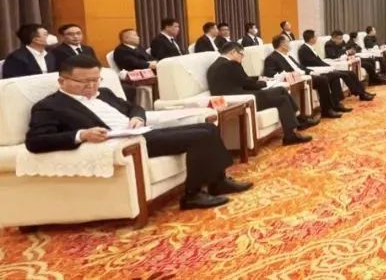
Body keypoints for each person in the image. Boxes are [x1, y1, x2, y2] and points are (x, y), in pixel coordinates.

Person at [26, 54, 252, 209]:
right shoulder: (50, 106)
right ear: (62, 81)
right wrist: (81, 135)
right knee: (200, 136)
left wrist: (136, 117)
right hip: (123, 144)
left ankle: (217, 181)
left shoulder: (104, 93)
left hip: (140, 132)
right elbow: (36, 141)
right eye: (84, 82)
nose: (92, 86)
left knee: (207, 127)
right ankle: (193, 195)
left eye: (96, 80)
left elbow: (134, 108)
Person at [206, 42, 314, 145]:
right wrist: (265, 83)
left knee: (281, 90)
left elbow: (240, 80)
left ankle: (299, 119)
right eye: (241, 54)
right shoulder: (231, 64)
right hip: (243, 99)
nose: (242, 57)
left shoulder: (215, 65)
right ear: (233, 52)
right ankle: (290, 135)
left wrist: (259, 78)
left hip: (237, 96)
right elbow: (247, 83)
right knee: (282, 99)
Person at [262, 35, 344, 119]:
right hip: (297, 78)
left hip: (305, 74)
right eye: (288, 42)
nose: (290, 44)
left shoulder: (288, 56)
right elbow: (269, 73)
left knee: (333, 75)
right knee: (323, 80)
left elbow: (300, 67)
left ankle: (336, 104)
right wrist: (287, 74)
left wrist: (311, 71)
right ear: (282, 44)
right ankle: (327, 110)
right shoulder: (272, 58)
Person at [298, 29, 373, 102]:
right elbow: (314, 63)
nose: (316, 38)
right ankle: (360, 93)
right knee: (345, 75)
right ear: (311, 39)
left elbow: (319, 61)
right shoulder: (303, 49)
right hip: (318, 71)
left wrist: (328, 66)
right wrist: (329, 67)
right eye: (315, 36)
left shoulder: (309, 48)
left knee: (351, 73)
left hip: (324, 68)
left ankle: (362, 92)